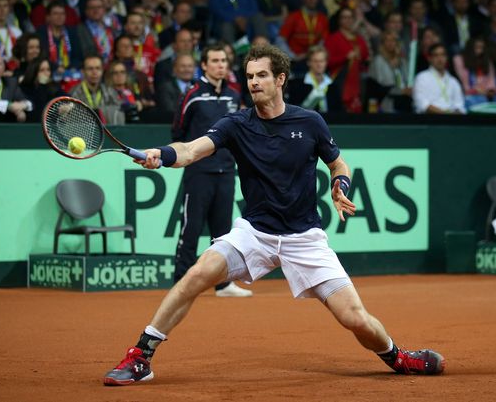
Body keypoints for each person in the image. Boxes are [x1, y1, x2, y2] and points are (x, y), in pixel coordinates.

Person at [102, 44, 445, 386]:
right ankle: (141, 356)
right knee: (196, 275)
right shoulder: (235, 124)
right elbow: (191, 150)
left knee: (354, 318)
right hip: (255, 233)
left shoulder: (310, 122)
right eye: (249, 76)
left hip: (305, 237)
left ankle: (397, 357)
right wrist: (160, 154)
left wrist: (339, 185)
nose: (253, 82)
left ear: (280, 78)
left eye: (262, 75)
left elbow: (337, 162)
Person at [169, 43, 251, 298]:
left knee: (223, 234)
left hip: (226, 171)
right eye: (215, 61)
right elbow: (178, 132)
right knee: (191, 229)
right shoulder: (192, 94)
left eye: (224, 61)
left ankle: (223, 284)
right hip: (198, 172)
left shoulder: (234, 95)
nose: (220, 65)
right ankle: (180, 282)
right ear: (204, 65)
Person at [325, 6, 370, 113]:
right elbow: (327, 62)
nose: (347, 20)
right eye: (344, 17)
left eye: (350, 17)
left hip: (358, 82)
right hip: (339, 81)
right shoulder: (333, 38)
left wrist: (360, 56)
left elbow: (366, 57)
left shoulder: (359, 39)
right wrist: (345, 57)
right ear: (339, 20)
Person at [70, 54, 124, 124]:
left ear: (102, 70)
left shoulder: (110, 91)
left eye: (98, 68)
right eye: (90, 69)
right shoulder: (74, 93)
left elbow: (119, 112)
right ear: (83, 71)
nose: (94, 72)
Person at [413, 43, 466, 114]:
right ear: (429, 58)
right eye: (436, 55)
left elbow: (459, 105)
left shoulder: (453, 81)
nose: (440, 59)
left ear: (446, 58)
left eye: (443, 55)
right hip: (429, 120)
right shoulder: (422, 77)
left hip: (451, 121)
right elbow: (422, 104)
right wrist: (444, 115)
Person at [287, 45, 338, 113]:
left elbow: (338, 111)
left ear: (326, 63)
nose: (319, 64)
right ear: (308, 62)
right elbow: (292, 110)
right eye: (315, 61)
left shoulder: (333, 86)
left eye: (322, 61)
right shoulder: (297, 84)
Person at [452, 36, 496, 109]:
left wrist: (490, 91)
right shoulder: (459, 59)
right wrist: (476, 90)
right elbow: (463, 82)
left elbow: (491, 81)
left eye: (481, 48)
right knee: (478, 99)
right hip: (469, 93)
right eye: (477, 47)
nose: (479, 51)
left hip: (485, 94)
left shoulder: (487, 61)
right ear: (470, 47)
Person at [19, 56, 66, 121]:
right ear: (34, 72)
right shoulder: (24, 89)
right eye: (42, 70)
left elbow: (68, 99)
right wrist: (41, 86)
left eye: (48, 70)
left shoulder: (54, 87)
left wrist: (66, 106)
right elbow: (37, 113)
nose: (46, 73)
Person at [154, 51, 195, 118]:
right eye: (183, 66)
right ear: (174, 69)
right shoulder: (165, 88)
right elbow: (168, 112)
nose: (187, 69)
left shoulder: (199, 86)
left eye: (190, 66)